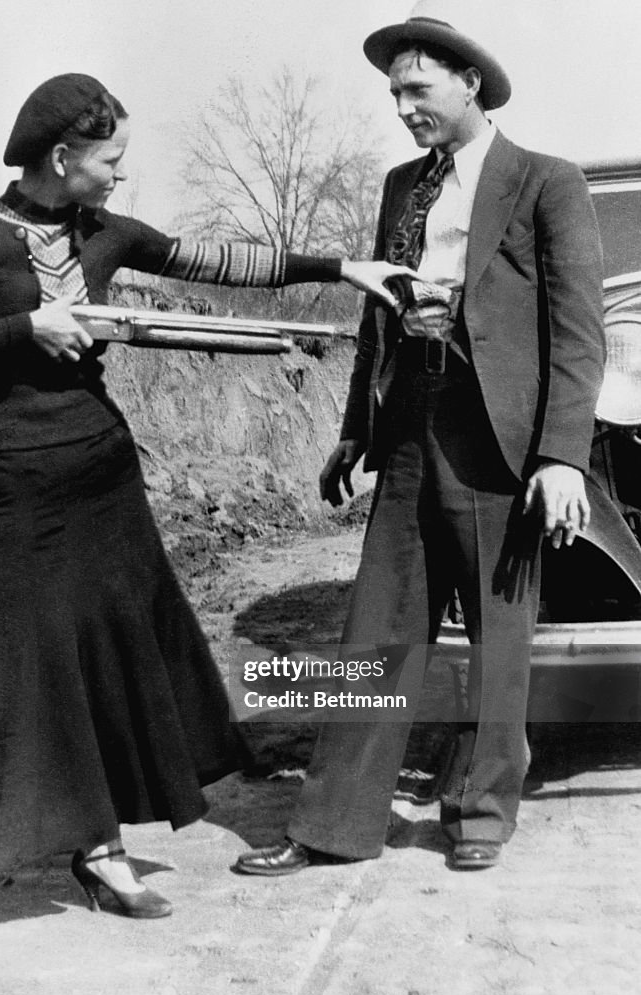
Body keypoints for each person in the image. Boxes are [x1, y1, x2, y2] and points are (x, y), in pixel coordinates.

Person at [0, 72, 417, 948]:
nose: (120, 175)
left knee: (114, 656)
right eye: (111, 160)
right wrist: (24, 328)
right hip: (26, 483)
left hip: (106, 473)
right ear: (63, 156)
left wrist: (342, 269)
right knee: (9, 665)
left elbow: (216, 260)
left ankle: (100, 849)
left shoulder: (105, 232)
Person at [235, 2, 605, 877]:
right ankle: (334, 823)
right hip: (409, 420)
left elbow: (577, 331)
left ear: (469, 83)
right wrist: (352, 431)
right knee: (379, 629)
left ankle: (480, 812)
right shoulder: (403, 185)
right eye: (394, 94)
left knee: (497, 634)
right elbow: (378, 317)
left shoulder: (546, 181)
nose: (403, 108)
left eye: (417, 89)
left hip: (498, 437)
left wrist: (561, 456)